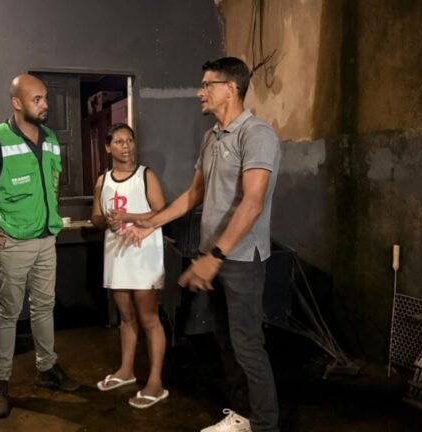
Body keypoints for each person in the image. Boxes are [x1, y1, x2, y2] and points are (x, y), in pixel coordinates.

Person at [123, 57, 281, 432]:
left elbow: (253, 202)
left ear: (231, 89)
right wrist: (151, 222)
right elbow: (195, 194)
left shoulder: (256, 134)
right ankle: (242, 415)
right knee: (225, 342)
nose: (200, 92)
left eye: (208, 85)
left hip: (240, 259)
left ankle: (266, 425)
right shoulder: (212, 137)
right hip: (215, 257)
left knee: (247, 345)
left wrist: (216, 256)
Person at [0, 74, 79, 420]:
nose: (45, 105)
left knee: (44, 307)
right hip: (13, 242)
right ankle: (0, 382)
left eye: (45, 98)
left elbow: (52, 182)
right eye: (37, 99)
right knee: (9, 312)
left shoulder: (51, 138)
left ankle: (47, 368)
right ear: (17, 103)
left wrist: (50, 216)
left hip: (46, 238)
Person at [91, 123, 169, 409]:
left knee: (149, 318)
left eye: (130, 140)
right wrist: (108, 220)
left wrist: (128, 216)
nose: (126, 146)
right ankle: (126, 370)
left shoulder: (146, 175)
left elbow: (162, 211)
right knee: (126, 317)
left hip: (144, 254)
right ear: (108, 147)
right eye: (119, 141)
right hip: (117, 254)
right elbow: (96, 218)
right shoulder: (103, 181)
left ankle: (156, 382)